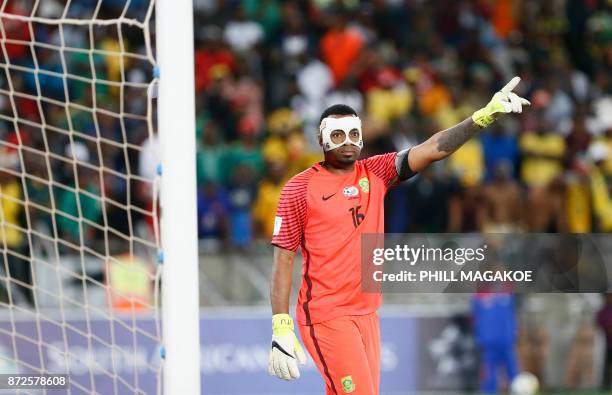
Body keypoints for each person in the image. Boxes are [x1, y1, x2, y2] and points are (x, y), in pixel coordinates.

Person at [268, 77, 530, 394]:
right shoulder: (299, 188)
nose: (347, 141)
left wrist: (482, 116)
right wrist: (281, 325)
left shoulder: (375, 173)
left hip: (367, 313)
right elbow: (283, 257)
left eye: (354, 134)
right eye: (337, 135)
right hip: (326, 316)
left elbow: (433, 148)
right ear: (321, 140)